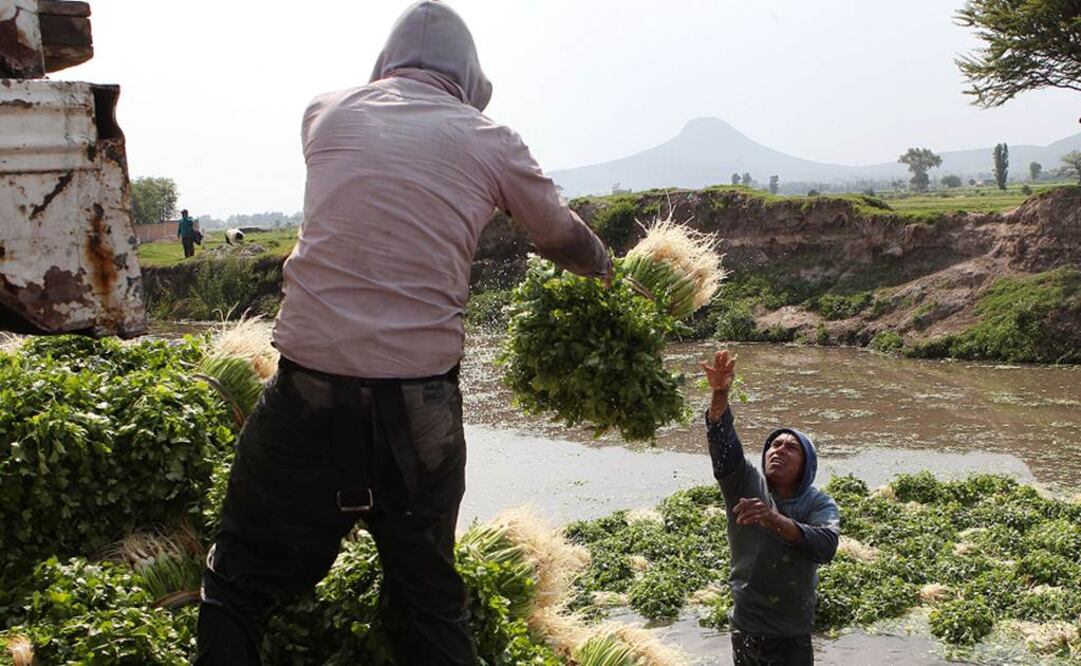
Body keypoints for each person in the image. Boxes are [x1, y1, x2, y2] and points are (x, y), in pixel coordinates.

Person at [195, 2, 611, 664]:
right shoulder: (490, 138)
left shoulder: (326, 111)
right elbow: (559, 235)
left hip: (309, 393)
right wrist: (604, 265)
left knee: (238, 582)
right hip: (420, 411)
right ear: (470, 81)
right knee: (427, 602)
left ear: (383, 66)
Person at [701, 350, 840, 666]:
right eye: (775, 445)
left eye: (791, 448)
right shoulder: (745, 483)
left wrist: (772, 519)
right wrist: (720, 396)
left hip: (791, 633)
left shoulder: (818, 503)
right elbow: (724, 446)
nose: (779, 451)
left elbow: (825, 545)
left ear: (807, 463)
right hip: (745, 625)